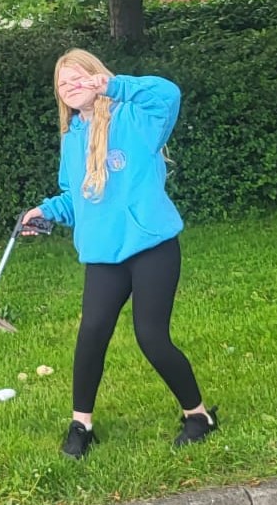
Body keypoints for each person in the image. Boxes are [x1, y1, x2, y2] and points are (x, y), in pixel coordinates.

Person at [24, 48, 217, 459]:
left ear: (96, 78)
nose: (71, 87)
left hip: (152, 247)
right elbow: (75, 198)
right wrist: (44, 211)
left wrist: (114, 86)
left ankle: (198, 416)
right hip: (103, 254)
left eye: (79, 78)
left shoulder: (137, 119)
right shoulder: (72, 138)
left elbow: (168, 94)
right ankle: (82, 426)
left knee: (151, 336)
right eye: (63, 83)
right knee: (91, 334)